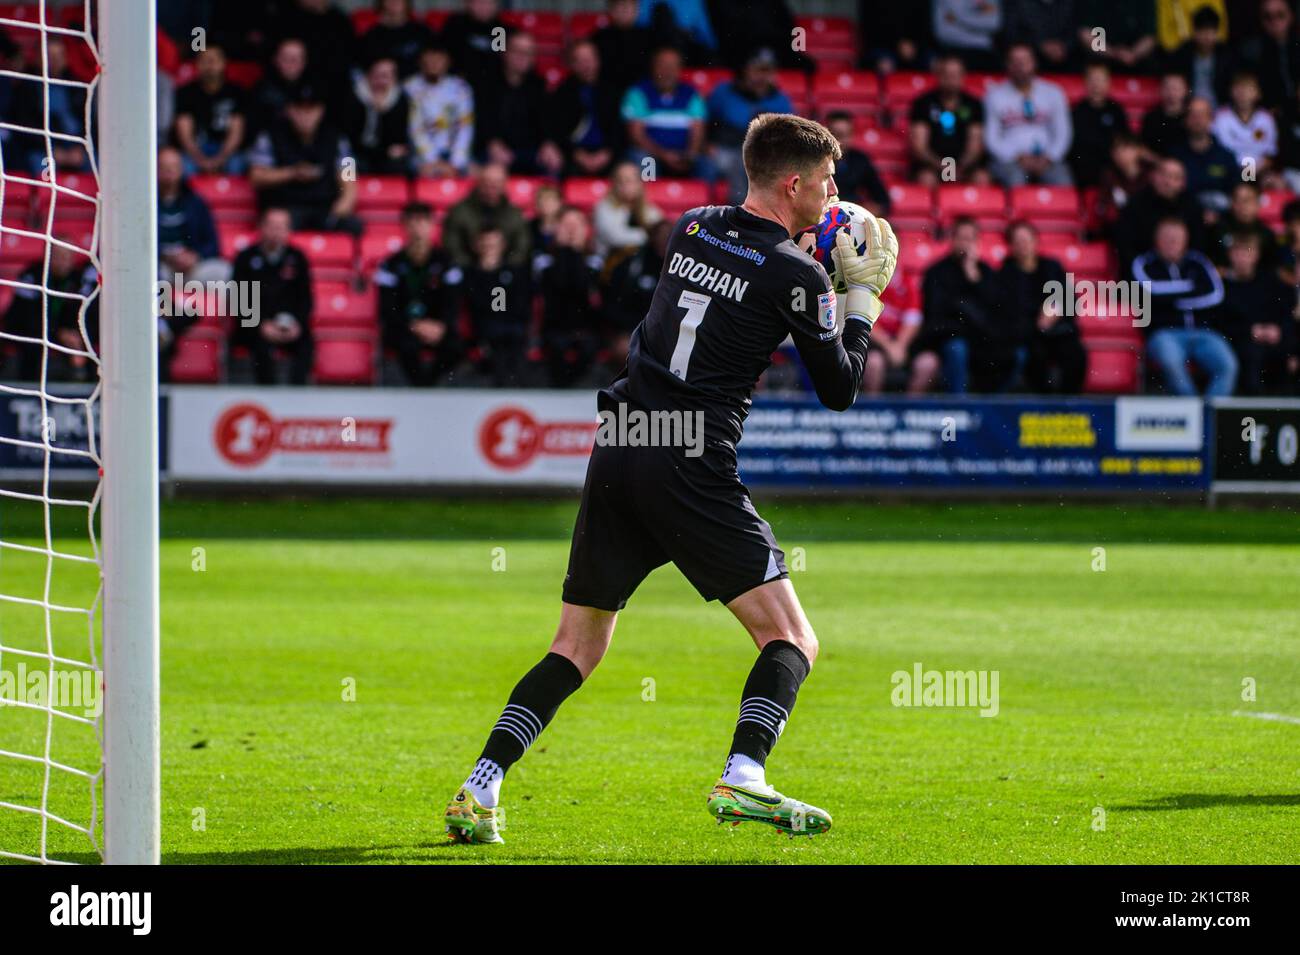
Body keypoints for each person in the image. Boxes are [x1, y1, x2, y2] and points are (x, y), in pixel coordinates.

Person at [443, 113, 898, 844]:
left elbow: (738, 286)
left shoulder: (690, 227)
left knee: (576, 645)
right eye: (825, 181)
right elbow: (840, 387)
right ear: (793, 183)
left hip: (623, 439)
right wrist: (858, 299)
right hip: (689, 459)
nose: (834, 192)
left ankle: (480, 784)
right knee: (792, 639)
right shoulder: (798, 274)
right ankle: (745, 774)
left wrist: (807, 265)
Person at [1132, 216, 1234, 396]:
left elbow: (1215, 294)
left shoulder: (1198, 261)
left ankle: (1211, 415)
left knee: (1227, 364)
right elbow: (1152, 291)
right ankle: (1192, 411)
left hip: (1204, 332)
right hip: (1164, 333)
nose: (1173, 243)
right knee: (1172, 362)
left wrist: (1173, 299)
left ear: (1186, 240)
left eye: (1177, 239)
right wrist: (1191, 288)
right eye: (1167, 239)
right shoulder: (1145, 263)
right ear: (1157, 240)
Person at [247, 84, 361, 235]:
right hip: (286, 207)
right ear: (289, 110)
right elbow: (256, 176)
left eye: (311, 109)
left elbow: (349, 173)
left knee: (354, 226)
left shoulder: (337, 137)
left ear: (321, 110)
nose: (305, 115)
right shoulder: (270, 135)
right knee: (275, 226)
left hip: (324, 207)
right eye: (299, 109)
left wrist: (346, 200)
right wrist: (292, 173)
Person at [374, 202, 460, 386]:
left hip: (438, 326)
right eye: (412, 223)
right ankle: (422, 390)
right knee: (405, 345)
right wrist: (413, 325)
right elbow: (387, 307)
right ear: (404, 226)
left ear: (431, 225)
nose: (417, 228)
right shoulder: (391, 264)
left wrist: (441, 325)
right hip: (405, 327)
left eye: (422, 222)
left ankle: (428, 386)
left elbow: (453, 301)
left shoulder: (445, 262)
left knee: (455, 346)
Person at [913, 216, 1002, 394]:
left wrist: (973, 276)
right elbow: (935, 312)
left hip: (981, 339)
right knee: (957, 348)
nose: (966, 244)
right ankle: (958, 405)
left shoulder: (986, 271)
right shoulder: (936, 271)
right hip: (946, 338)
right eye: (962, 238)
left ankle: (993, 409)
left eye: (971, 239)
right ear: (952, 239)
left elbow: (995, 308)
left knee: (1010, 352)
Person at [230, 208, 315, 385]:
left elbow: (305, 298)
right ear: (261, 227)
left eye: (281, 227)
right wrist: (261, 325)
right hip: (254, 326)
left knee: (306, 345)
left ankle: (298, 396)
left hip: (289, 324)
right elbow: (238, 299)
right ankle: (268, 398)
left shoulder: (297, 258)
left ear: (288, 231)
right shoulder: (246, 258)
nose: (276, 232)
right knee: (260, 348)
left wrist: (297, 324)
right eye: (272, 226)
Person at [1001, 220, 1086, 393]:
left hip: (1058, 330)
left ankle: (1069, 403)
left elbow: (1071, 300)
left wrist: (1055, 310)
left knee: (1075, 354)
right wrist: (1037, 319)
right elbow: (1008, 310)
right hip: (1027, 334)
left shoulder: (1052, 267)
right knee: (1034, 355)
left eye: (1026, 240)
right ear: (1011, 246)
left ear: (1035, 242)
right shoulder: (1005, 274)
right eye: (1017, 241)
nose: (1023, 245)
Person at [444, 229, 533, 386]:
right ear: (476, 247)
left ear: (502, 246)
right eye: (485, 245)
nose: (489, 250)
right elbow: (468, 306)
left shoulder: (514, 273)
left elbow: (519, 307)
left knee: (511, 344)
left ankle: (518, 391)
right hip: (479, 331)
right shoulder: (468, 274)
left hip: (510, 333)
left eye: (493, 245)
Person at [707, 48, 794, 203]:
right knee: (742, 161)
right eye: (757, 70)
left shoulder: (781, 100)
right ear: (744, 70)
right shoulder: (724, 93)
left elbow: (789, 135)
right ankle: (739, 210)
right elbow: (704, 122)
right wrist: (706, 145)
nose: (761, 77)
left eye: (767, 71)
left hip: (767, 155)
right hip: (724, 150)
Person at [3, 242, 98, 383]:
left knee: (89, 343)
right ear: (48, 256)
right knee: (32, 347)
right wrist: (58, 333)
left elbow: (87, 315)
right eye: (58, 256)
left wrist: (75, 335)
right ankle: (27, 391)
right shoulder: (31, 276)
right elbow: (22, 317)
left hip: (68, 334)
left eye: (67, 256)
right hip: (33, 332)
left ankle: (88, 389)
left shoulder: (78, 280)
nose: (63, 261)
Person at [474, 31, 563, 175]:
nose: (522, 57)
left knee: (554, 161)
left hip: (530, 152)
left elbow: (547, 123)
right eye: (517, 51)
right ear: (505, 53)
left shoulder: (539, 86)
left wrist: (548, 144)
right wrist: (493, 143)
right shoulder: (487, 84)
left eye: (528, 52)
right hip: (494, 150)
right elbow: (483, 121)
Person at [984, 43, 1073, 187]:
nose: (1020, 66)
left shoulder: (1053, 92)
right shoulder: (995, 95)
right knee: (1016, 179)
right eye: (1015, 61)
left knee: (1062, 181)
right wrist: (1016, 157)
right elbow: (992, 139)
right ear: (1007, 65)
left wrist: (1049, 157)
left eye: (1024, 61)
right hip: (1010, 160)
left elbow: (1063, 133)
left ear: (1034, 63)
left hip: (1047, 159)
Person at [1218, 231, 1296, 395]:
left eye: (1248, 251)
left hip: (1273, 338)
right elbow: (1219, 322)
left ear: (1256, 255)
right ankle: (1255, 407)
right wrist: (1250, 331)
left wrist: (1278, 329)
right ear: (1230, 255)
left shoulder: (1269, 282)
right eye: (1238, 252)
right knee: (1251, 354)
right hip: (1240, 341)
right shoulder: (1222, 286)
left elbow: (1285, 312)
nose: (1243, 257)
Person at [535, 207, 605, 387]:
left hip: (587, 329)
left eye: (577, 225)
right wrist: (568, 252)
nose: (572, 230)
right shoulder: (544, 261)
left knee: (588, 349)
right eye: (567, 226)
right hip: (554, 328)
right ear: (556, 229)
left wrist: (574, 253)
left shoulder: (597, 262)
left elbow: (582, 290)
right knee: (556, 349)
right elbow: (558, 288)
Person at [621, 46, 711, 180]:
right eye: (663, 66)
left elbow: (697, 132)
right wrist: (664, 155)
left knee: (707, 164)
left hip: (683, 155)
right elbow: (636, 136)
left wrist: (689, 154)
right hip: (652, 153)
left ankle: (705, 200)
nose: (668, 72)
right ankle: (647, 199)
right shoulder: (638, 93)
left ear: (680, 69)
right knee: (645, 161)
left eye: (673, 67)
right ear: (653, 68)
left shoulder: (692, 95)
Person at [547, 39, 625, 177]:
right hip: (574, 155)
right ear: (572, 64)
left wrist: (606, 153)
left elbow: (619, 129)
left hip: (608, 154)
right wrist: (577, 155)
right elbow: (558, 131)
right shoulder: (562, 93)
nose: (586, 65)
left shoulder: (612, 91)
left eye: (589, 59)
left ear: (598, 61)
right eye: (580, 61)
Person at [908, 54, 987, 186]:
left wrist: (958, 168)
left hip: (965, 166)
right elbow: (919, 147)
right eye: (946, 74)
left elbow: (975, 146)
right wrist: (945, 168)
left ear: (963, 76)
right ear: (938, 75)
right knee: (926, 179)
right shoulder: (923, 103)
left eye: (955, 75)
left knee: (981, 178)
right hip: (932, 165)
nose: (951, 79)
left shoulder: (974, 104)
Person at [1116, 157, 1204, 269]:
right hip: (1144, 271)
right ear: (1153, 176)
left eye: (1175, 177)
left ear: (1183, 183)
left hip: (1185, 270)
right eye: (1163, 174)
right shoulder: (1135, 205)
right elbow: (1125, 246)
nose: (1167, 182)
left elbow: (1198, 245)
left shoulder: (1192, 207)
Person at [405, 38, 475, 177]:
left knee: (477, 172)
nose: (434, 63)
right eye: (430, 58)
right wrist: (433, 161)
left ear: (448, 61)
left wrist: (456, 163)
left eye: (439, 58)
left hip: (455, 155)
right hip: (421, 157)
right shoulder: (410, 87)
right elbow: (415, 129)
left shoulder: (461, 88)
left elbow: (465, 128)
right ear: (421, 61)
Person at [172, 45, 247, 175]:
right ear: (197, 65)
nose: (210, 65)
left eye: (214, 60)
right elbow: (184, 132)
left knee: (237, 165)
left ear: (224, 63)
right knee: (183, 167)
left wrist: (220, 159)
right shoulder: (185, 93)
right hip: (195, 149)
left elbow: (236, 132)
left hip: (225, 149)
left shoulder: (236, 92)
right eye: (205, 60)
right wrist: (200, 160)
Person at [441, 162, 531, 268]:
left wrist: (504, 269)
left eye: (497, 182)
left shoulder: (514, 214)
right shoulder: (459, 211)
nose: (493, 186)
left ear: (504, 184)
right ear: (479, 183)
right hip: (468, 273)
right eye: (488, 181)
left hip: (506, 274)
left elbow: (522, 247)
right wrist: (473, 269)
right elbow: (452, 246)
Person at [342, 56, 412, 176]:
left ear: (394, 79)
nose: (380, 81)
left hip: (386, 157)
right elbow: (349, 137)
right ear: (368, 75)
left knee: (399, 164)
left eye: (385, 76)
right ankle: (347, 194)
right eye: (376, 75)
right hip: (357, 153)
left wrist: (382, 113)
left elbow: (397, 142)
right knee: (346, 163)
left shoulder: (400, 100)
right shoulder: (354, 97)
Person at [1173, 97, 1238, 216]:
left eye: (1202, 115)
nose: (1197, 120)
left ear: (1211, 119)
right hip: (1183, 217)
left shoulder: (1226, 156)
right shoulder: (1175, 156)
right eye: (1193, 115)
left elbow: (1236, 192)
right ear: (1185, 120)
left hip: (1221, 219)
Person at [1070, 61, 1128, 188]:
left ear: (1108, 83)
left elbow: (1124, 140)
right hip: (1084, 167)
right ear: (1085, 82)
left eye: (1101, 80)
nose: (1096, 84)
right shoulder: (1076, 111)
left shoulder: (1116, 110)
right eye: (1092, 80)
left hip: (1112, 166)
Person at [592, 161, 664, 261]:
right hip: (608, 262)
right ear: (614, 184)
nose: (625, 185)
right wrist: (647, 235)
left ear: (640, 184)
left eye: (630, 180)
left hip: (642, 262)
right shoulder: (603, 207)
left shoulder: (649, 209)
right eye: (621, 181)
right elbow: (615, 238)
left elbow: (661, 233)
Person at [1211, 73, 1278, 177]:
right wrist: (1246, 174)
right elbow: (1218, 151)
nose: (1242, 93)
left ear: (1258, 93)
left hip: (1261, 173)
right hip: (1229, 172)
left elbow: (1270, 154)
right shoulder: (1220, 117)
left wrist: (1250, 173)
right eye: (1238, 88)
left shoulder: (1266, 119)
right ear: (1230, 91)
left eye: (1248, 89)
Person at [1166, 5, 1234, 109]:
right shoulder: (1182, 53)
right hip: (1188, 109)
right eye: (1202, 31)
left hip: (1220, 109)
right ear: (1194, 32)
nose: (1206, 36)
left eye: (1211, 31)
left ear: (1217, 32)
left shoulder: (1227, 55)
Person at [825, 112, 891, 215]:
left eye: (846, 135)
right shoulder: (815, 161)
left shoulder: (860, 160)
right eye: (836, 135)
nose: (840, 142)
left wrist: (865, 212)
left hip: (852, 218)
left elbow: (883, 201)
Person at [1210, 181, 1279, 270]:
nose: (1241, 205)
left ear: (1258, 203)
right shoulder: (1218, 230)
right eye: (1236, 200)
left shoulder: (1267, 236)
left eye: (1247, 200)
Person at [359, 0, 434, 78]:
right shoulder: (371, 35)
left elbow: (437, 61)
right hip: (385, 85)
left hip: (421, 84)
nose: (394, 1)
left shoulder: (423, 31)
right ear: (381, 3)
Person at [1140, 72, 1190, 161]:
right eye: (1167, 88)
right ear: (1160, 89)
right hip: (1159, 167)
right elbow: (1143, 149)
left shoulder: (1191, 116)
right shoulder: (1151, 118)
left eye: (1176, 88)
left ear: (1186, 90)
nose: (1171, 92)